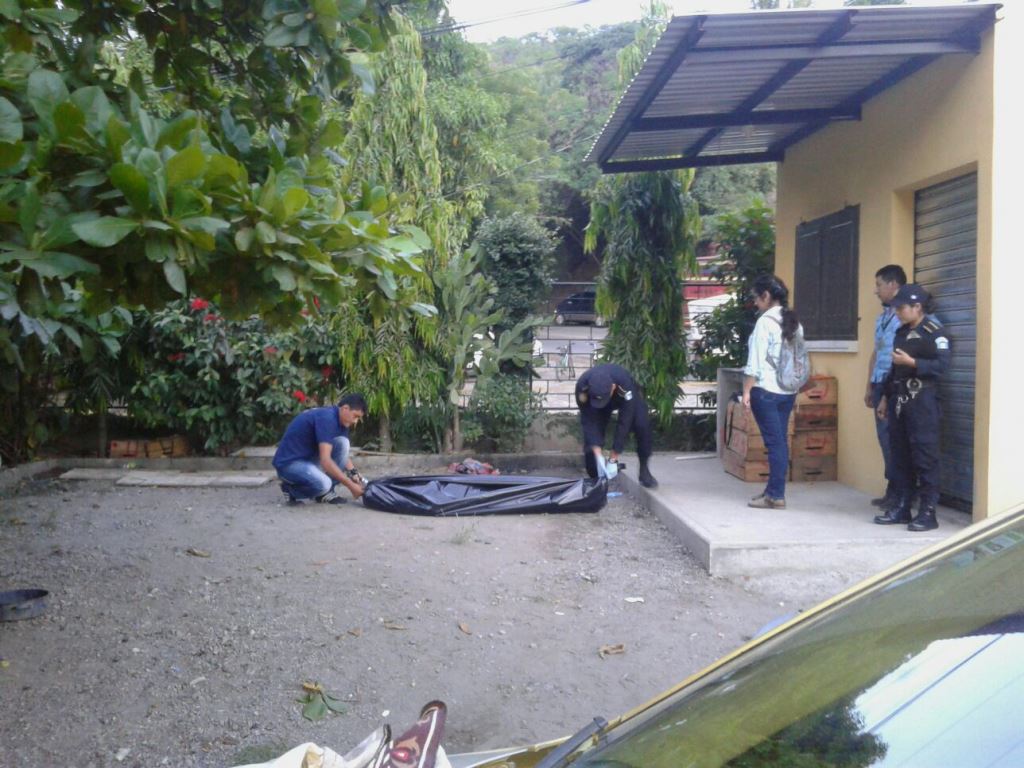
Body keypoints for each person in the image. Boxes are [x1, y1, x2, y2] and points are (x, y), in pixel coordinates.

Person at [873, 284, 950, 532]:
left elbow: (941, 366)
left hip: (923, 401)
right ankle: (903, 507)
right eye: (896, 309)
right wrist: (884, 397)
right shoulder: (902, 332)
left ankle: (928, 512)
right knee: (900, 456)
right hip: (899, 399)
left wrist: (913, 362)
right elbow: (894, 369)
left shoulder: (934, 332)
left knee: (925, 457)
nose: (898, 313)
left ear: (917, 307)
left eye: (902, 308)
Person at [742, 274, 804, 509]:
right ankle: (772, 490)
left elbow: (754, 363)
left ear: (766, 296)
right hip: (787, 392)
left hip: (765, 390)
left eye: (757, 299)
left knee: (774, 443)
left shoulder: (765, 323)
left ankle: (776, 495)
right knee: (779, 442)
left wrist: (747, 391)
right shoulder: (795, 322)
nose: (756, 304)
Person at [273, 393, 368, 505]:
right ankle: (291, 491)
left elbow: (342, 454)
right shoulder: (327, 419)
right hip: (288, 465)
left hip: (307, 459)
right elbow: (325, 460)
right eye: (355, 416)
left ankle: (325, 494)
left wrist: (353, 473)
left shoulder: (341, 421)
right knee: (324, 484)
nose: (355, 421)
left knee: (343, 442)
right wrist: (351, 486)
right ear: (345, 408)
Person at [864, 265, 907, 510]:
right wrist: (869, 385)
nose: (876, 291)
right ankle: (892, 489)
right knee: (884, 439)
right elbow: (877, 352)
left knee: (894, 440)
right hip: (880, 382)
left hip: (895, 383)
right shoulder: (883, 318)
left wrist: (887, 392)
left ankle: (901, 493)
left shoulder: (903, 318)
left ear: (893, 285)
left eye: (879, 285)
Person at [575, 363, 658, 488]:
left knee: (642, 424)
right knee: (592, 453)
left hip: (623, 399)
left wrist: (613, 458)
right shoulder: (582, 387)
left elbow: (625, 421)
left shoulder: (624, 384)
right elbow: (589, 421)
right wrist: (598, 454)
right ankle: (595, 478)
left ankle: (644, 470)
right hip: (595, 406)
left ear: (613, 387)